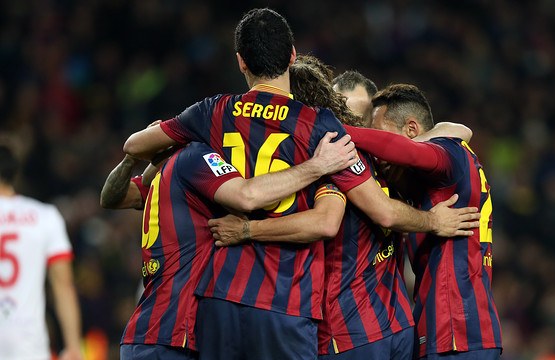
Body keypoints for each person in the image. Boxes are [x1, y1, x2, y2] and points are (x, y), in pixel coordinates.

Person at [122, 9, 480, 360]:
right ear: (291, 56)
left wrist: (163, 148)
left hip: (222, 296)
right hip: (291, 305)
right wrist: (433, 220)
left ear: (241, 62)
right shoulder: (321, 132)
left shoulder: (212, 114)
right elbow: (375, 211)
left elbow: (133, 149)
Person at [209, 56, 479, 360]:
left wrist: (247, 229)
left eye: (361, 117)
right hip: (390, 329)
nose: (348, 120)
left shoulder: (339, 161)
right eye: (343, 110)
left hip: (352, 334)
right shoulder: (365, 163)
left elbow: (333, 220)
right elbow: (457, 132)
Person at [102, 131, 357, 359]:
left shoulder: (168, 181)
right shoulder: (195, 159)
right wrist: (317, 165)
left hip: (149, 328)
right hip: (171, 332)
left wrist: (133, 158)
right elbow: (247, 196)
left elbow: (111, 197)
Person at [345, 84, 503, 359]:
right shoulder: (429, 180)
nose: (377, 155)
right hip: (451, 327)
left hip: (456, 330)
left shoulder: (447, 153)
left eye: (378, 135)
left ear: (411, 130)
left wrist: (337, 132)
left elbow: (412, 152)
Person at [0, 144, 83, 360]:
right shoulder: (44, 216)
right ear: (14, 174)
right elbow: (62, 283)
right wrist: (73, 346)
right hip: (27, 344)